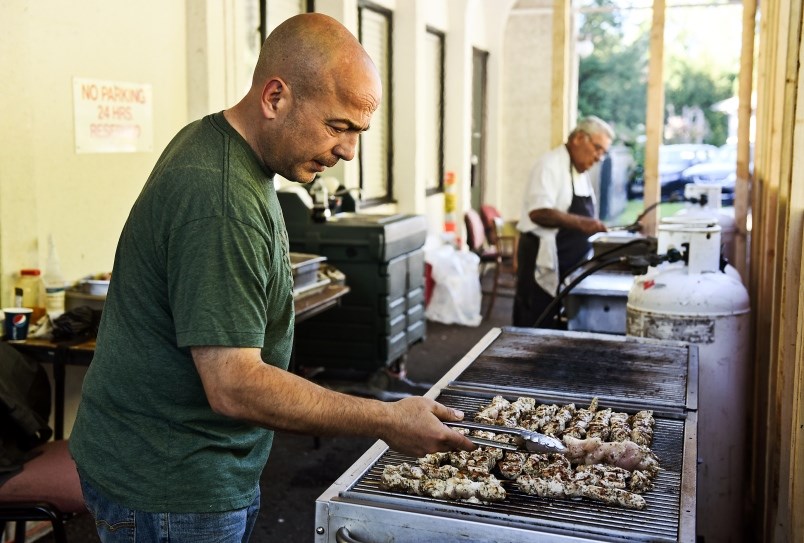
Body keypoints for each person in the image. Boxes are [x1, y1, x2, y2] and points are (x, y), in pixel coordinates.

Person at [69, 13, 474, 543]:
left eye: (358, 131)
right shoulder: (220, 200)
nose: (349, 151)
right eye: (337, 126)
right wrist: (386, 419)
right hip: (171, 485)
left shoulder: (220, 143)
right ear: (275, 97)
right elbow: (234, 386)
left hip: (181, 463)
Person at [513, 116, 614, 328]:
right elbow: (538, 213)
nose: (598, 157)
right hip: (540, 258)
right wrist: (581, 223)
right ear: (579, 138)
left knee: (556, 323)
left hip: (569, 263)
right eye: (597, 148)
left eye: (603, 153)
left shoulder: (580, 172)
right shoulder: (549, 165)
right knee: (535, 320)